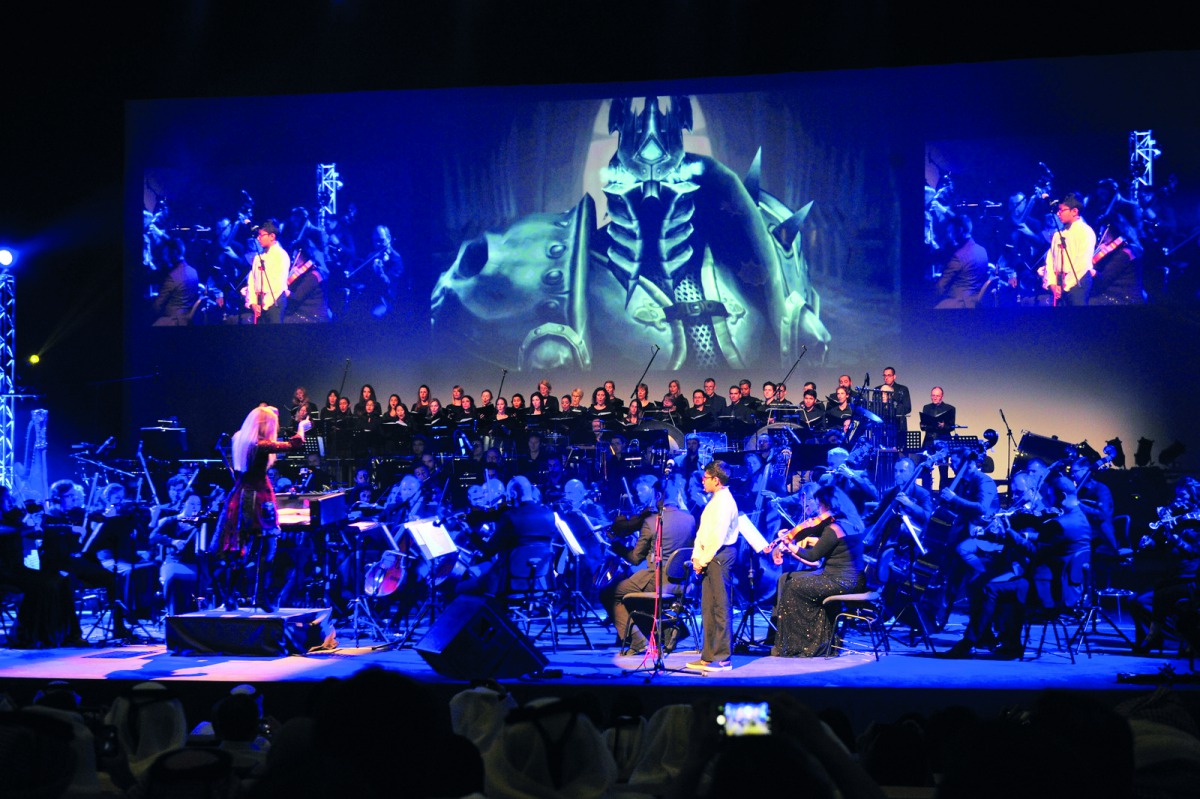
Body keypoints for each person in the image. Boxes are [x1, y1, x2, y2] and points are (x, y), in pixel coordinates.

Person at [210, 406, 310, 612]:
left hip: (242, 495)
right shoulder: (259, 444)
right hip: (257, 498)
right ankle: (259, 595)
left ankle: (231, 594)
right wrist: (302, 427)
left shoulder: (240, 439)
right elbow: (294, 444)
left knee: (243, 547)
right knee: (267, 546)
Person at [601, 473, 697, 655]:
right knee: (634, 592)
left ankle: (637, 642)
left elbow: (635, 558)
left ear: (658, 496)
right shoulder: (690, 519)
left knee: (610, 594)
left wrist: (616, 544)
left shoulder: (652, 521)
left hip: (657, 579)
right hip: (682, 582)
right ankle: (672, 630)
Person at [770, 485, 866, 657]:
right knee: (786, 578)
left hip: (839, 579)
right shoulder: (854, 523)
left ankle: (807, 644)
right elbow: (833, 549)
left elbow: (813, 556)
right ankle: (784, 638)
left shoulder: (834, 529)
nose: (820, 511)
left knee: (793, 587)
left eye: (820, 505)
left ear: (828, 504)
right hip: (852, 579)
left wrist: (789, 545)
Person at [688, 460, 740, 672]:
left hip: (720, 556)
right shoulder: (714, 500)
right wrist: (696, 557)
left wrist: (703, 559)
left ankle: (723, 658)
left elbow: (717, 537)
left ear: (716, 480)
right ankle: (708, 656)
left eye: (706, 477)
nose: (703, 480)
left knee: (720, 607)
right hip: (710, 557)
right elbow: (703, 532)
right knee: (708, 608)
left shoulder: (725, 503)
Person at [1042, 192, 1097, 306]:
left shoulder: (1085, 232)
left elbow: (1082, 263)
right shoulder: (1058, 234)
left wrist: (1065, 286)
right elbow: (1051, 260)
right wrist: (1052, 283)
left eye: (1062, 210)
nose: (1058, 213)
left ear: (1074, 211)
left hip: (1078, 283)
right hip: (1059, 283)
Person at [934, 214, 989, 308]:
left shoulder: (958, 256)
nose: (948, 235)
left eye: (950, 232)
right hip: (977, 303)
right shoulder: (982, 250)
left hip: (958, 304)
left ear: (960, 230)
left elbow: (940, 288)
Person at [243, 220, 290, 323]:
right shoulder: (258, 257)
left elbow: (279, 284)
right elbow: (252, 280)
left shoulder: (281, 255)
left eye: (261, 235)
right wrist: (253, 302)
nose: (258, 238)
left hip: (274, 302)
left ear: (272, 236)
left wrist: (265, 304)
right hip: (259, 303)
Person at [151, 238, 200, 326]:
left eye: (165, 254)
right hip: (187, 320)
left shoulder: (172, 276)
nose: (163, 257)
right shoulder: (193, 272)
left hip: (171, 321)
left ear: (174, 253)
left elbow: (156, 307)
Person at [919, 387, 955, 489]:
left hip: (943, 441)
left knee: (943, 470)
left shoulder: (950, 408)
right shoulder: (926, 407)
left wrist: (944, 426)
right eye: (933, 395)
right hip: (929, 441)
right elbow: (924, 424)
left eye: (937, 396)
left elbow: (951, 426)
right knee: (926, 468)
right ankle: (926, 493)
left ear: (942, 396)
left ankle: (942, 496)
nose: (934, 398)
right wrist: (922, 426)